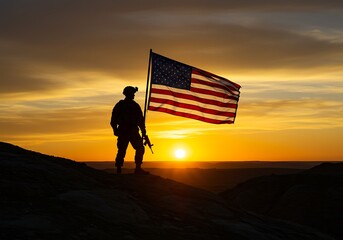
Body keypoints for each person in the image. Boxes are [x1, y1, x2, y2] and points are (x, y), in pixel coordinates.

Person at [110, 86, 149, 174]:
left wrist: (143, 130)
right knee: (122, 150)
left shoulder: (134, 106)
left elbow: (140, 120)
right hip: (126, 130)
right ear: (128, 94)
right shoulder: (122, 105)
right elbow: (113, 120)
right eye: (132, 93)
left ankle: (137, 168)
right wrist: (115, 130)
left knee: (139, 148)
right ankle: (119, 169)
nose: (134, 95)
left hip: (132, 130)